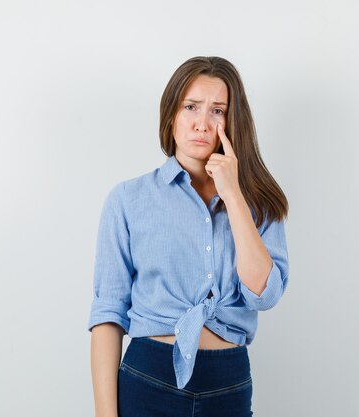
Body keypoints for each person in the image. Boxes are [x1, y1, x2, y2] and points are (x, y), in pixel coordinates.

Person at [88, 56, 290, 417]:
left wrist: (234, 195)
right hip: (149, 378)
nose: (202, 123)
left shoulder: (258, 203)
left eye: (217, 111)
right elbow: (108, 313)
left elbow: (264, 293)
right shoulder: (128, 199)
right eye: (191, 107)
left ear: (232, 122)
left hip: (228, 382)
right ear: (172, 115)